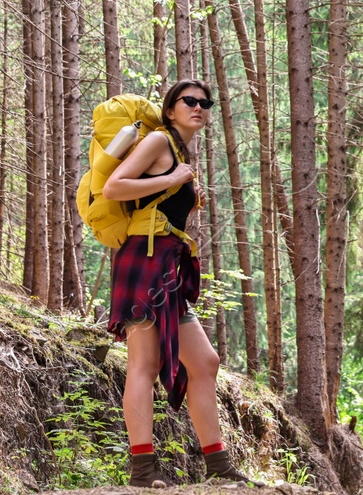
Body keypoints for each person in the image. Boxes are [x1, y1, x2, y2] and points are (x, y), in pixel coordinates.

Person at [103, 78, 252, 488]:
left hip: (166, 267)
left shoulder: (181, 151)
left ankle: (218, 466)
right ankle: (142, 472)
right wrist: (170, 181)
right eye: (190, 101)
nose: (199, 107)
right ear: (171, 109)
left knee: (204, 363)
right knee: (144, 364)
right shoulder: (157, 142)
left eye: (206, 102)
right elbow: (114, 186)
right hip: (144, 261)